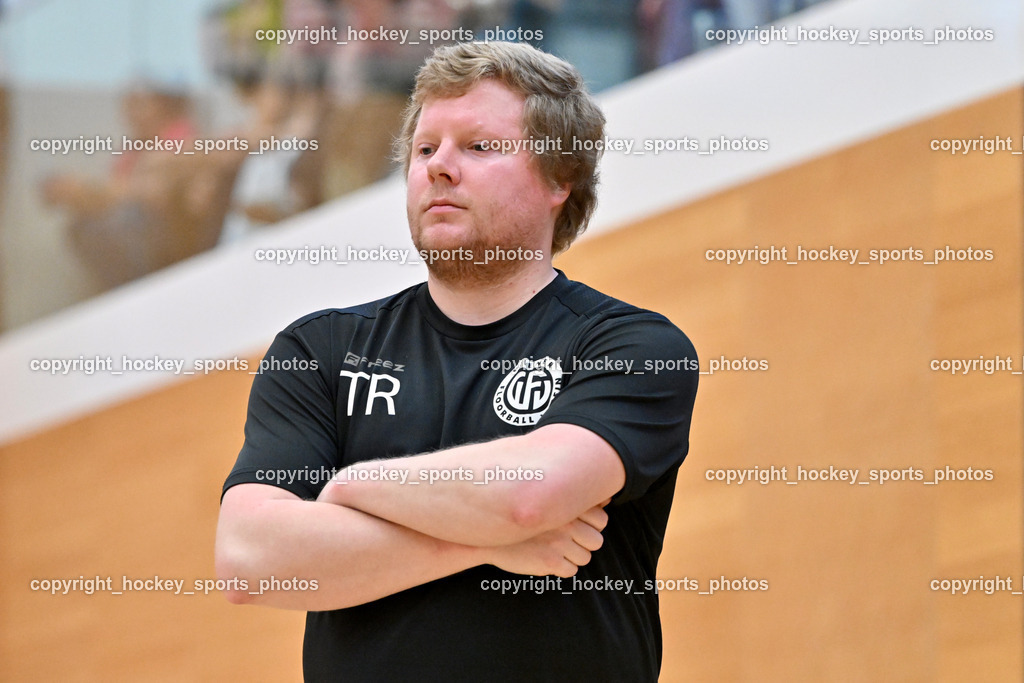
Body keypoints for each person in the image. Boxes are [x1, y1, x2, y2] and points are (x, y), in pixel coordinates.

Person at [216, 40, 698, 682]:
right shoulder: (320, 353)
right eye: (424, 149)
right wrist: (488, 543)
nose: (439, 167)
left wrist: (350, 487)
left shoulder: (633, 347)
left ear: (560, 179)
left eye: (478, 146)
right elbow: (251, 561)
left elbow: (529, 496)